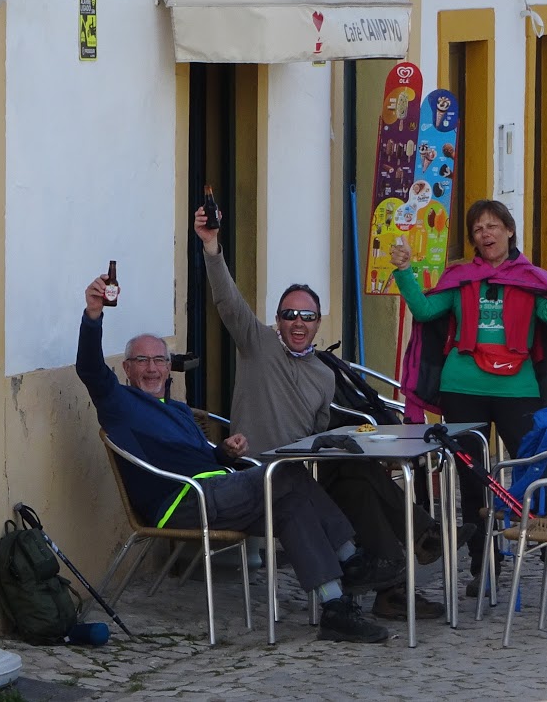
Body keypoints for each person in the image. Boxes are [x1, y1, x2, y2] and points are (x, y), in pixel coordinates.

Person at [75, 270, 397, 643]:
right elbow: (89, 368)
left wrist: (225, 453)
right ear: (127, 369)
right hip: (180, 500)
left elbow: (207, 460)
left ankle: (335, 607)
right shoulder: (119, 402)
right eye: (142, 360)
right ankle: (352, 558)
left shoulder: (179, 410)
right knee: (283, 472)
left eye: (159, 360)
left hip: (216, 491)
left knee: (291, 506)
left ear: (169, 366)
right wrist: (93, 314)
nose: (151, 368)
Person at [193, 208, 444, 622]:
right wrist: (211, 246)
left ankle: (390, 582)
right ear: (277, 321)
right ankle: (419, 538)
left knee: (358, 481)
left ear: (318, 323)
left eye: (307, 316)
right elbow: (227, 299)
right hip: (258, 473)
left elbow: (315, 434)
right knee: (356, 479)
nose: (298, 323)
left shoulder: (324, 374)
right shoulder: (257, 344)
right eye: (289, 315)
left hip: (300, 474)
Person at [390, 198, 547, 594]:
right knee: (473, 482)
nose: (485, 233)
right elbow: (424, 311)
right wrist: (404, 272)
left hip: (518, 389)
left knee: (539, 471)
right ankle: (483, 568)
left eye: (492, 226)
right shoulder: (461, 278)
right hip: (462, 389)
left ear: (509, 230)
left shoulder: (530, 277)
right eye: (477, 229)